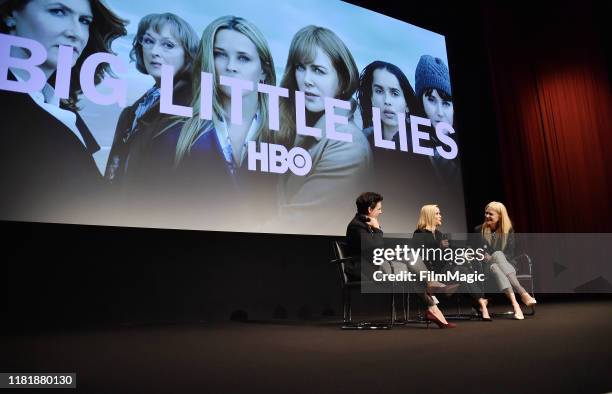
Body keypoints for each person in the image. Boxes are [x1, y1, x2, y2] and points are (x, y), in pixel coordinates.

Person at [0, 0, 127, 222]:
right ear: (10, 13)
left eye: (84, 21)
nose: (76, 33)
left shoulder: (57, 109)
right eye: (58, 12)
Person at [151, 15, 277, 230]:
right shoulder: (173, 136)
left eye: (244, 58)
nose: (231, 67)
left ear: (263, 70)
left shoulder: (286, 140)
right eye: (219, 55)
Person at [277, 25, 372, 234]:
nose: (306, 80)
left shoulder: (349, 145)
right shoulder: (291, 125)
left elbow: (297, 222)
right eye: (300, 67)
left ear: (342, 80)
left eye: (318, 70)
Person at [104, 13, 198, 195]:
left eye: (168, 45)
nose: (154, 51)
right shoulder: (135, 109)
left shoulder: (194, 107)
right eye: (148, 41)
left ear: (188, 55)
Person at [346, 192, 457, 328]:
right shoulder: (356, 226)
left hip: (377, 266)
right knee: (411, 266)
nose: (381, 211)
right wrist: (377, 229)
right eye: (379, 209)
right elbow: (375, 248)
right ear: (370, 209)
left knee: (411, 267)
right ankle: (433, 298)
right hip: (364, 270)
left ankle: (434, 309)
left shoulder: (366, 223)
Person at [357, 60, 439, 231]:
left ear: (407, 103)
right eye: (379, 91)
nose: (387, 101)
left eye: (394, 93)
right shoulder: (361, 141)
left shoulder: (427, 150)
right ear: (370, 97)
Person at [414, 204, 491, 321]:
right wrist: (438, 248)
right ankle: (481, 302)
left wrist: (469, 253)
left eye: (440, 213)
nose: (440, 216)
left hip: (446, 270)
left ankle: (480, 302)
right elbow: (420, 257)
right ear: (429, 216)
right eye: (437, 213)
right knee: (463, 270)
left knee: (466, 268)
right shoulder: (419, 233)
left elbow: (450, 251)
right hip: (431, 274)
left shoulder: (440, 234)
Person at [474, 201, 537, 320]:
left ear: (500, 216)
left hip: (507, 266)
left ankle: (516, 305)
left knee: (497, 261)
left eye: (490, 214)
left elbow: (510, 253)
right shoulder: (478, 230)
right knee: (496, 259)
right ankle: (522, 293)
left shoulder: (508, 230)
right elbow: (472, 250)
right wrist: (482, 256)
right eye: (486, 213)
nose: (487, 216)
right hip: (486, 267)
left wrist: (494, 257)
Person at [414, 55, 460, 189]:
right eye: (431, 100)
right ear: (420, 102)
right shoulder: (408, 140)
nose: (439, 112)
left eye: (446, 103)